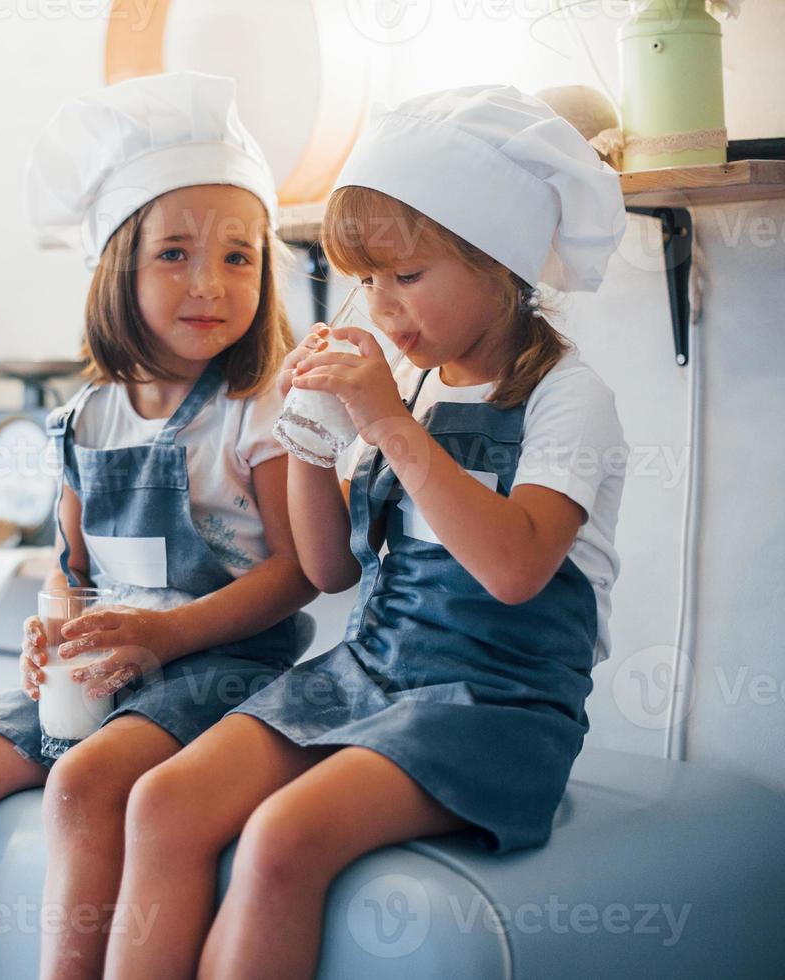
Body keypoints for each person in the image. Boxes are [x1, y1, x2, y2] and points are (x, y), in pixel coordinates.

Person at [106, 84, 631, 980]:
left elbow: (514, 569)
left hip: (492, 706)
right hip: (372, 671)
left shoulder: (566, 397)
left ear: (500, 261)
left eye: (409, 277)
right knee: (163, 801)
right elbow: (329, 568)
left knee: (281, 838)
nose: (383, 310)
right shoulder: (417, 384)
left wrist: (390, 423)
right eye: (368, 283)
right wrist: (309, 434)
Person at [0, 71, 316, 980]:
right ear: (118, 264)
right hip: (103, 667)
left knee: (80, 786)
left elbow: (299, 572)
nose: (212, 284)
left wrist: (166, 632)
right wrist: (52, 627)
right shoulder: (86, 418)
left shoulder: (256, 408)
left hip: (217, 669)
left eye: (240, 256)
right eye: (176, 254)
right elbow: (67, 567)